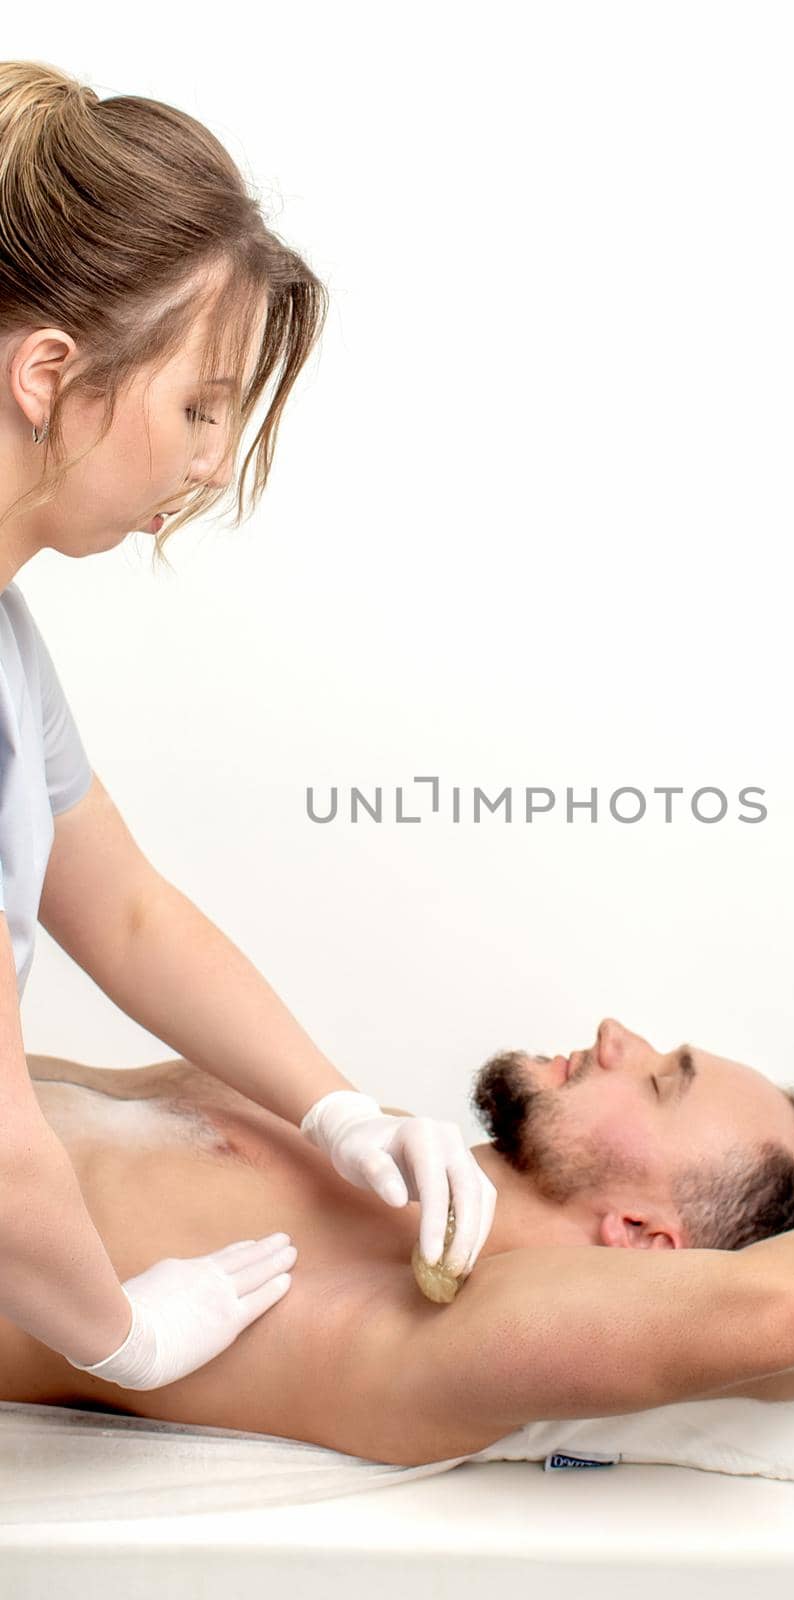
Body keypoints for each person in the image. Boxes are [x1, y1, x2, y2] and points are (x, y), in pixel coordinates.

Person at [0, 61, 494, 1397]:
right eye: (197, 407)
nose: (213, 464)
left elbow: (130, 911)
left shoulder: (8, 651)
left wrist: (336, 1110)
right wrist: (124, 1336)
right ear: (50, 372)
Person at [0, 1017, 794, 1467]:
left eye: (655, 1085)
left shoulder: (450, 1332)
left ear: (641, 1238)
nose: (614, 1038)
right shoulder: (366, 1136)